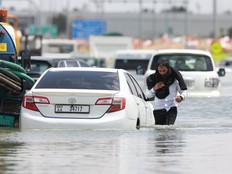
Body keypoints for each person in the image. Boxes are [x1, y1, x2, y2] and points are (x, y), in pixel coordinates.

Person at [146, 59, 187, 125]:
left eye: (164, 71)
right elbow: (148, 95)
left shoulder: (174, 80)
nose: (162, 73)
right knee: (159, 131)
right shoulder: (153, 79)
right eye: (160, 71)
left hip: (171, 108)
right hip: (158, 109)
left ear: (168, 69)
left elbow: (184, 91)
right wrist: (154, 88)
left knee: (169, 129)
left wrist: (181, 97)